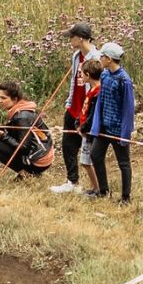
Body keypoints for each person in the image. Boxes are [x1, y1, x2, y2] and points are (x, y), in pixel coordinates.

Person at [52, 22, 101, 194]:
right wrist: (69, 101)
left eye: (71, 37)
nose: (69, 40)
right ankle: (72, 181)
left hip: (88, 109)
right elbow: (74, 80)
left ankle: (99, 186)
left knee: (89, 150)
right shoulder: (75, 56)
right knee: (68, 145)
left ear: (80, 38)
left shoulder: (96, 57)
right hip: (74, 107)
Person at [89, 42, 135, 204]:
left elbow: (128, 110)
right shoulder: (104, 75)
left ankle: (126, 197)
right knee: (95, 155)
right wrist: (96, 125)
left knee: (123, 163)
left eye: (102, 56)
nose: (99, 58)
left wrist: (125, 134)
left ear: (108, 59)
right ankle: (103, 190)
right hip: (104, 128)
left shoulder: (124, 81)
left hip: (117, 130)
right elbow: (101, 101)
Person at [0, 80, 55, 178]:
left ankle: (28, 173)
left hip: (39, 160)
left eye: (3, 98)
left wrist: (3, 136)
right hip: (42, 153)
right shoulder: (22, 109)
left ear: (15, 99)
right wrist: (4, 129)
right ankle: (28, 172)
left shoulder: (21, 117)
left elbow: (24, 148)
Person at [77, 59, 103, 196]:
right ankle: (95, 187)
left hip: (90, 132)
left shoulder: (98, 92)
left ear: (87, 74)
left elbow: (93, 114)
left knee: (87, 162)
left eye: (82, 73)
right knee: (85, 162)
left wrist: (84, 127)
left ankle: (98, 188)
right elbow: (84, 110)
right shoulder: (91, 90)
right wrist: (78, 123)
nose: (80, 76)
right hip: (85, 129)